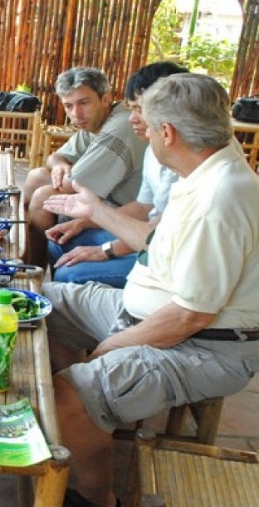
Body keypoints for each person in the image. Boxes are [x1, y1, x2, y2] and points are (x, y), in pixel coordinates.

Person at [40, 73, 259, 507]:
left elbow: (190, 317)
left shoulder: (219, 199)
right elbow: (158, 241)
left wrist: (113, 346)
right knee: (46, 303)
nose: (138, 128)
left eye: (145, 120)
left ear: (168, 132)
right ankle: (90, 422)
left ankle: (97, 495)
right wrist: (96, 214)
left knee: (71, 394)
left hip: (205, 346)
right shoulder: (202, 169)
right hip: (149, 311)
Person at [45, 62, 189, 287]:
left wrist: (105, 251)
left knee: (69, 273)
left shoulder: (192, 164)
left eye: (139, 109)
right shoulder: (153, 146)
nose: (131, 118)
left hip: (170, 262)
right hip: (149, 238)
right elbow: (143, 208)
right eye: (131, 108)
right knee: (59, 245)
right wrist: (82, 223)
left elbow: (160, 239)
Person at [23, 67, 146, 269]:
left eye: (84, 103)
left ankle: (33, 270)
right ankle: (27, 261)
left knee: (43, 197)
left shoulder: (120, 126)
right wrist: (60, 164)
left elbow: (74, 185)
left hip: (124, 210)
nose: (76, 114)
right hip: (105, 197)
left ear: (105, 99)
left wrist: (62, 173)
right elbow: (55, 157)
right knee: (37, 176)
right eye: (69, 106)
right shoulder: (94, 123)